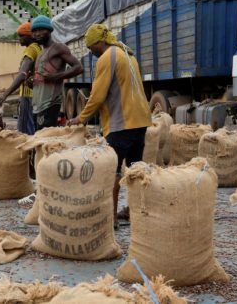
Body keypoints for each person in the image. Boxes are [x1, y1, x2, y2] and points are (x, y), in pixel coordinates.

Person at [68, 24, 152, 230]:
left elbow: (98, 94)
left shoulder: (107, 57)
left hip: (121, 123)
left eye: (91, 47)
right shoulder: (127, 53)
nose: (91, 52)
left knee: (111, 171)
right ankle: (134, 213)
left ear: (99, 42)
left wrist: (81, 118)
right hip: (140, 121)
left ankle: (111, 218)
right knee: (134, 170)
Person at [31, 15, 83, 130]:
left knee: (46, 141)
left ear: (49, 30)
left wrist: (56, 76)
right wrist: (32, 81)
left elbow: (78, 67)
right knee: (38, 140)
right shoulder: (41, 53)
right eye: (34, 31)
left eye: (40, 30)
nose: (37, 34)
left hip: (50, 104)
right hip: (37, 105)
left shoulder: (58, 48)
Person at [0, 21, 41, 135]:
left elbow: (22, 74)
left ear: (29, 36)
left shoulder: (31, 49)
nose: (19, 39)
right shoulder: (38, 48)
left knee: (24, 133)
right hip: (35, 95)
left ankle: (28, 153)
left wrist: (5, 95)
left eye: (21, 36)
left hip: (27, 96)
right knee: (33, 130)